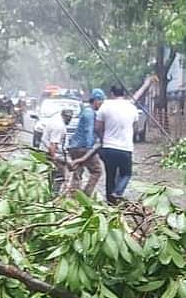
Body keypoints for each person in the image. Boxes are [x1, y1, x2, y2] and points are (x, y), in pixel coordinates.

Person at [97, 75, 156, 203]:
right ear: (123, 93)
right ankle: (118, 192)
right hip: (125, 149)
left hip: (108, 147)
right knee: (126, 174)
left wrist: (103, 139)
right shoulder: (132, 107)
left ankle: (110, 201)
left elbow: (98, 127)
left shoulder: (105, 106)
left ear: (111, 93)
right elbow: (135, 128)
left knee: (110, 176)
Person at [66, 89, 105, 196]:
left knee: (77, 172)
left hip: (74, 147)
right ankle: (86, 195)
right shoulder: (89, 113)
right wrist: (90, 149)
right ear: (96, 100)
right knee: (97, 171)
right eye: (101, 101)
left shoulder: (86, 111)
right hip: (83, 147)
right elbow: (89, 130)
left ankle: (74, 197)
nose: (102, 104)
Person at [43, 108, 74, 195]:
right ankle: (54, 195)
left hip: (53, 152)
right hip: (53, 154)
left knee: (52, 176)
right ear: (64, 116)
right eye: (69, 118)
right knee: (59, 176)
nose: (70, 120)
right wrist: (54, 159)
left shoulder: (55, 120)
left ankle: (51, 193)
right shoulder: (59, 126)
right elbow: (53, 144)